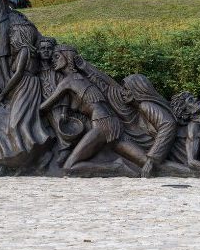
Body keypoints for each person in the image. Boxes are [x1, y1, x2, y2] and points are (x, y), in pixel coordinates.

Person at [40, 45, 149, 174]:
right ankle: (169, 169)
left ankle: (116, 166)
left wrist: (27, 107)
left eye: (57, 56)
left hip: (101, 124)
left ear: (67, 57)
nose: (53, 60)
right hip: (113, 122)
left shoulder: (67, 81)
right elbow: (108, 83)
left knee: (69, 166)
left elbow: (45, 106)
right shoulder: (85, 77)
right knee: (147, 161)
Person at [0, 14, 52, 168]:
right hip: (23, 87)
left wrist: (3, 94)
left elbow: (18, 74)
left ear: (21, 36)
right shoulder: (24, 51)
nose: (10, 39)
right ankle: (13, 155)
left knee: (16, 124)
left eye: (13, 35)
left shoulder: (25, 51)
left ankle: (27, 157)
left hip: (26, 87)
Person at [118, 74, 178, 178]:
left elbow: (168, 124)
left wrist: (151, 160)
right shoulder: (140, 108)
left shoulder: (145, 105)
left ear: (137, 89)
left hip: (179, 148)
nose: (122, 93)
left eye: (126, 89)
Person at [37, 36, 72, 166]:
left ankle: (65, 148)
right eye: (43, 49)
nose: (46, 51)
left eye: (49, 48)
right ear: (38, 51)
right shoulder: (35, 72)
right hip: (40, 106)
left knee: (59, 125)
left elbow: (65, 92)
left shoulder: (57, 71)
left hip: (57, 106)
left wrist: (64, 110)